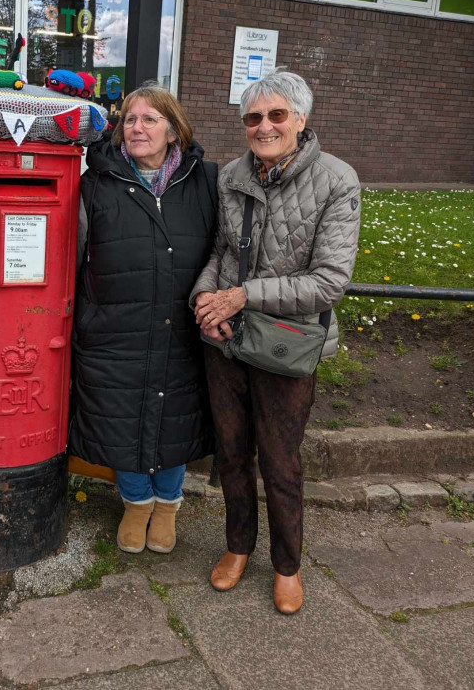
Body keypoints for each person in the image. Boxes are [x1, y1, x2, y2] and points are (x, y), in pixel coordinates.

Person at [191, 69, 361, 614]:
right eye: (253, 118)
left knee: (281, 461)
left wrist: (241, 296)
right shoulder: (232, 176)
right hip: (226, 342)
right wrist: (205, 301)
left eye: (276, 115)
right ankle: (238, 546)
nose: (264, 127)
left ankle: (287, 565)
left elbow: (329, 281)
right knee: (233, 453)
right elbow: (220, 250)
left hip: (287, 345)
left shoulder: (337, 180)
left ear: (301, 120)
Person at [69, 83, 217, 556]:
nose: (137, 128)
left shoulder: (206, 182)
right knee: (121, 416)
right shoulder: (96, 182)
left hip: (181, 327)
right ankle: (136, 503)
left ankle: (168, 505)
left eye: (150, 119)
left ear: (173, 130)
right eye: (129, 119)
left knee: (174, 416)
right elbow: (70, 257)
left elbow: (224, 248)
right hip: (115, 327)